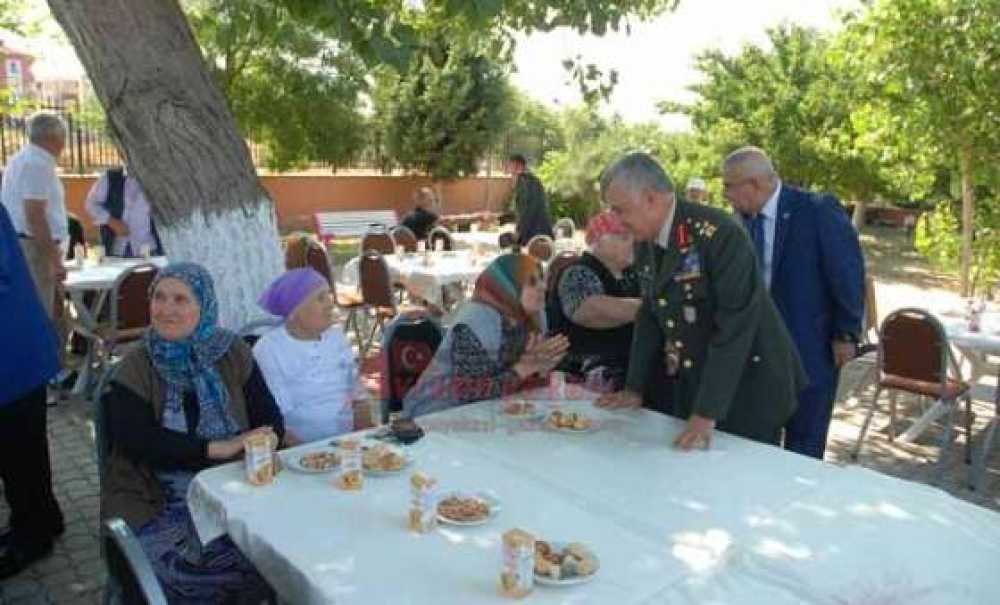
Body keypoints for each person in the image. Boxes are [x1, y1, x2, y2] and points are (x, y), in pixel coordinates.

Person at [596, 152, 807, 449]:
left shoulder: (719, 235)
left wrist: (706, 413)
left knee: (741, 483)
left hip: (749, 387)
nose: (616, 221)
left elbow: (734, 327)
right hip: (703, 382)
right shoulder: (648, 240)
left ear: (650, 198)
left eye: (620, 210)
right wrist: (634, 387)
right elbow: (651, 315)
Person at [101, 262, 282, 603]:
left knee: (285, 553)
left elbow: (270, 419)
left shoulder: (233, 352)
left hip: (235, 494)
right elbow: (138, 442)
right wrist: (219, 448)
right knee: (190, 573)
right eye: (159, 297)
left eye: (181, 299)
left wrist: (266, 441)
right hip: (158, 503)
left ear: (205, 305)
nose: (166, 309)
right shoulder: (134, 367)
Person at [722, 147, 865, 459]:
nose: (726, 195)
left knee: (805, 443)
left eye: (729, 186)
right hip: (760, 348)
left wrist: (847, 333)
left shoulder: (815, 209)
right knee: (759, 439)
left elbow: (847, 272)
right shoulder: (743, 222)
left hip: (810, 344)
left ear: (753, 184)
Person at [403, 253, 569, 418]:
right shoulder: (475, 321)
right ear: (507, 287)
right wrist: (525, 368)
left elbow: (514, 380)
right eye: (532, 282)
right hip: (437, 413)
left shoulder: (535, 317)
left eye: (542, 279)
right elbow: (470, 393)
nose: (544, 287)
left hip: (493, 410)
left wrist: (541, 369)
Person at [0, 204, 64, 580]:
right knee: (23, 451)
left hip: (13, 353)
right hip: (16, 354)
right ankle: (44, 518)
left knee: (19, 452)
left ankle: (34, 535)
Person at [254, 268, 371, 445]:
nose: (330, 304)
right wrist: (311, 457)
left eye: (329, 295)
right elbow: (277, 421)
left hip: (348, 442)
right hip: (299, 449)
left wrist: (365, 436)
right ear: (294, 312)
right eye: (320, 298)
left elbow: (358, 395)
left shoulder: (336, 337)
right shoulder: (269, 348)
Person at [547, 211, 642, 390]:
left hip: (626, 378)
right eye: (623, 237)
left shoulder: (633, 274)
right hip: (583, 380)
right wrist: (653, 308)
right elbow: (588, 311)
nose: (633, 242)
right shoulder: (577, 272)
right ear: (597, 240)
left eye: (633, 236)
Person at [0, 111, 68, 318]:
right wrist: (55, 260)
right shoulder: (37, 164)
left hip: (27, 245)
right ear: (54, 138)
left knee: (52, 313)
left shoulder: (24, 159)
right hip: (34, 248)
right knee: (40, 312)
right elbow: (35, 215)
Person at [84, 166, 162, 257]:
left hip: (150, 248)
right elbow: (90, 204)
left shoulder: (158, 180)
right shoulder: (111, 178)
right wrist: (111, 221)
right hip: (118, 249)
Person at [507, 154, 554, 246]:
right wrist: (499, 219)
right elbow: (519, 211)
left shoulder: (524, 181)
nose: (509, 170)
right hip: (539, 232)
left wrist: (519, 231)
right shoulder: (531, 180)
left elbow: (528, 210)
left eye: (511, 166)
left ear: (519, 166)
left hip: (535, 233)